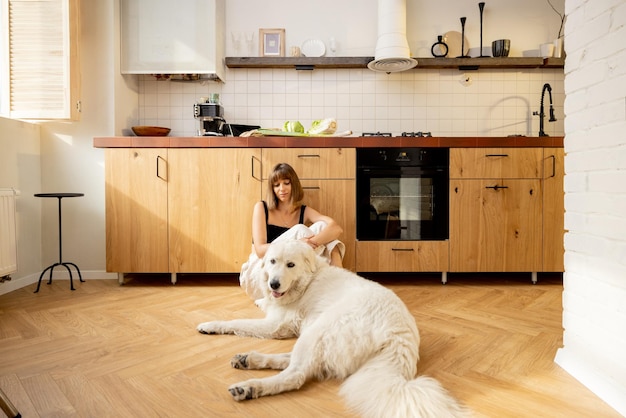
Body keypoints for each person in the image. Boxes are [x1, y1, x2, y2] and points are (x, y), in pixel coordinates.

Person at [239, 162, 345, 302]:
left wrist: (309, 243)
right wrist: (297, 243)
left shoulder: (303, 211)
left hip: (285, 280)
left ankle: (340, 283)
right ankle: (341, 284)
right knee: (301, 230)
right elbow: (259, 250)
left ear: (293, 184)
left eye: (286, 183)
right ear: (272, 189)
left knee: (322, 228)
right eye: (276, 185)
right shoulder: (262, 207)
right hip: (260, 273)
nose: (282, 189)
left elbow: (336, 228)